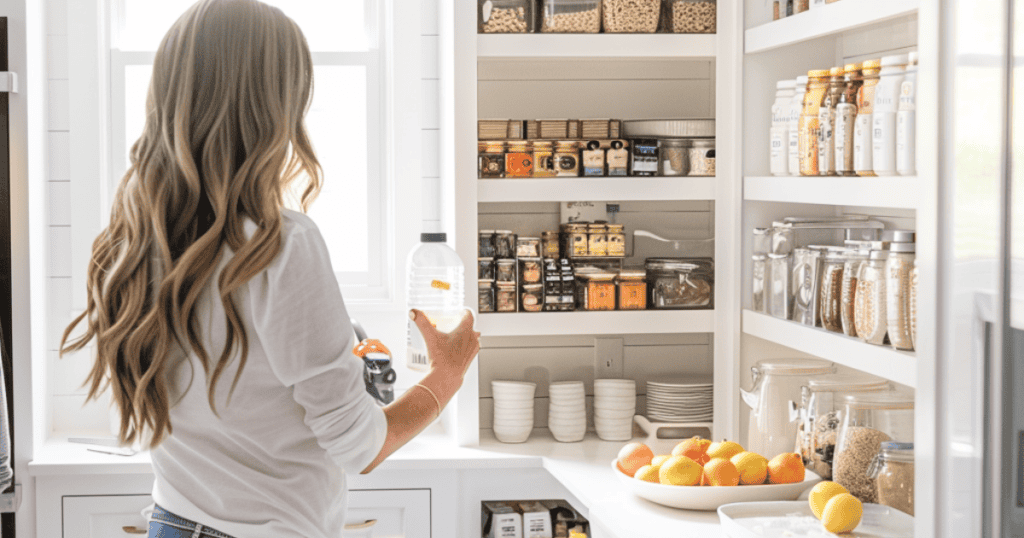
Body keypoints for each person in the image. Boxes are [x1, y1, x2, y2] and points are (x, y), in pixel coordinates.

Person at [58, 1, 480, 537]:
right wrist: (446, 377)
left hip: (174, 522)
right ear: (275, 108)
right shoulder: (282, 245)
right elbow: (360, 447)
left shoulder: (136, 238)